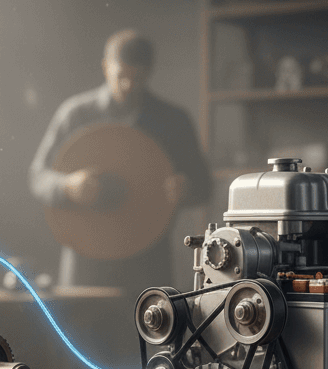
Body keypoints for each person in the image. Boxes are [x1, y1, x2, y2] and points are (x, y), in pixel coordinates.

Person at [29, 29, 212, 291]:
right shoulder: (76, 114)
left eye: (137, 78)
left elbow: (204, 185)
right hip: (86, 255)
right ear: (106, 68)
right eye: (121, 76)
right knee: (80, 331)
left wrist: (186, 187)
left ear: (149, 72)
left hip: (148, 256)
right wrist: (67, 185)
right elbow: (37, 176)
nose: (128, 85)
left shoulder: (173, 120)